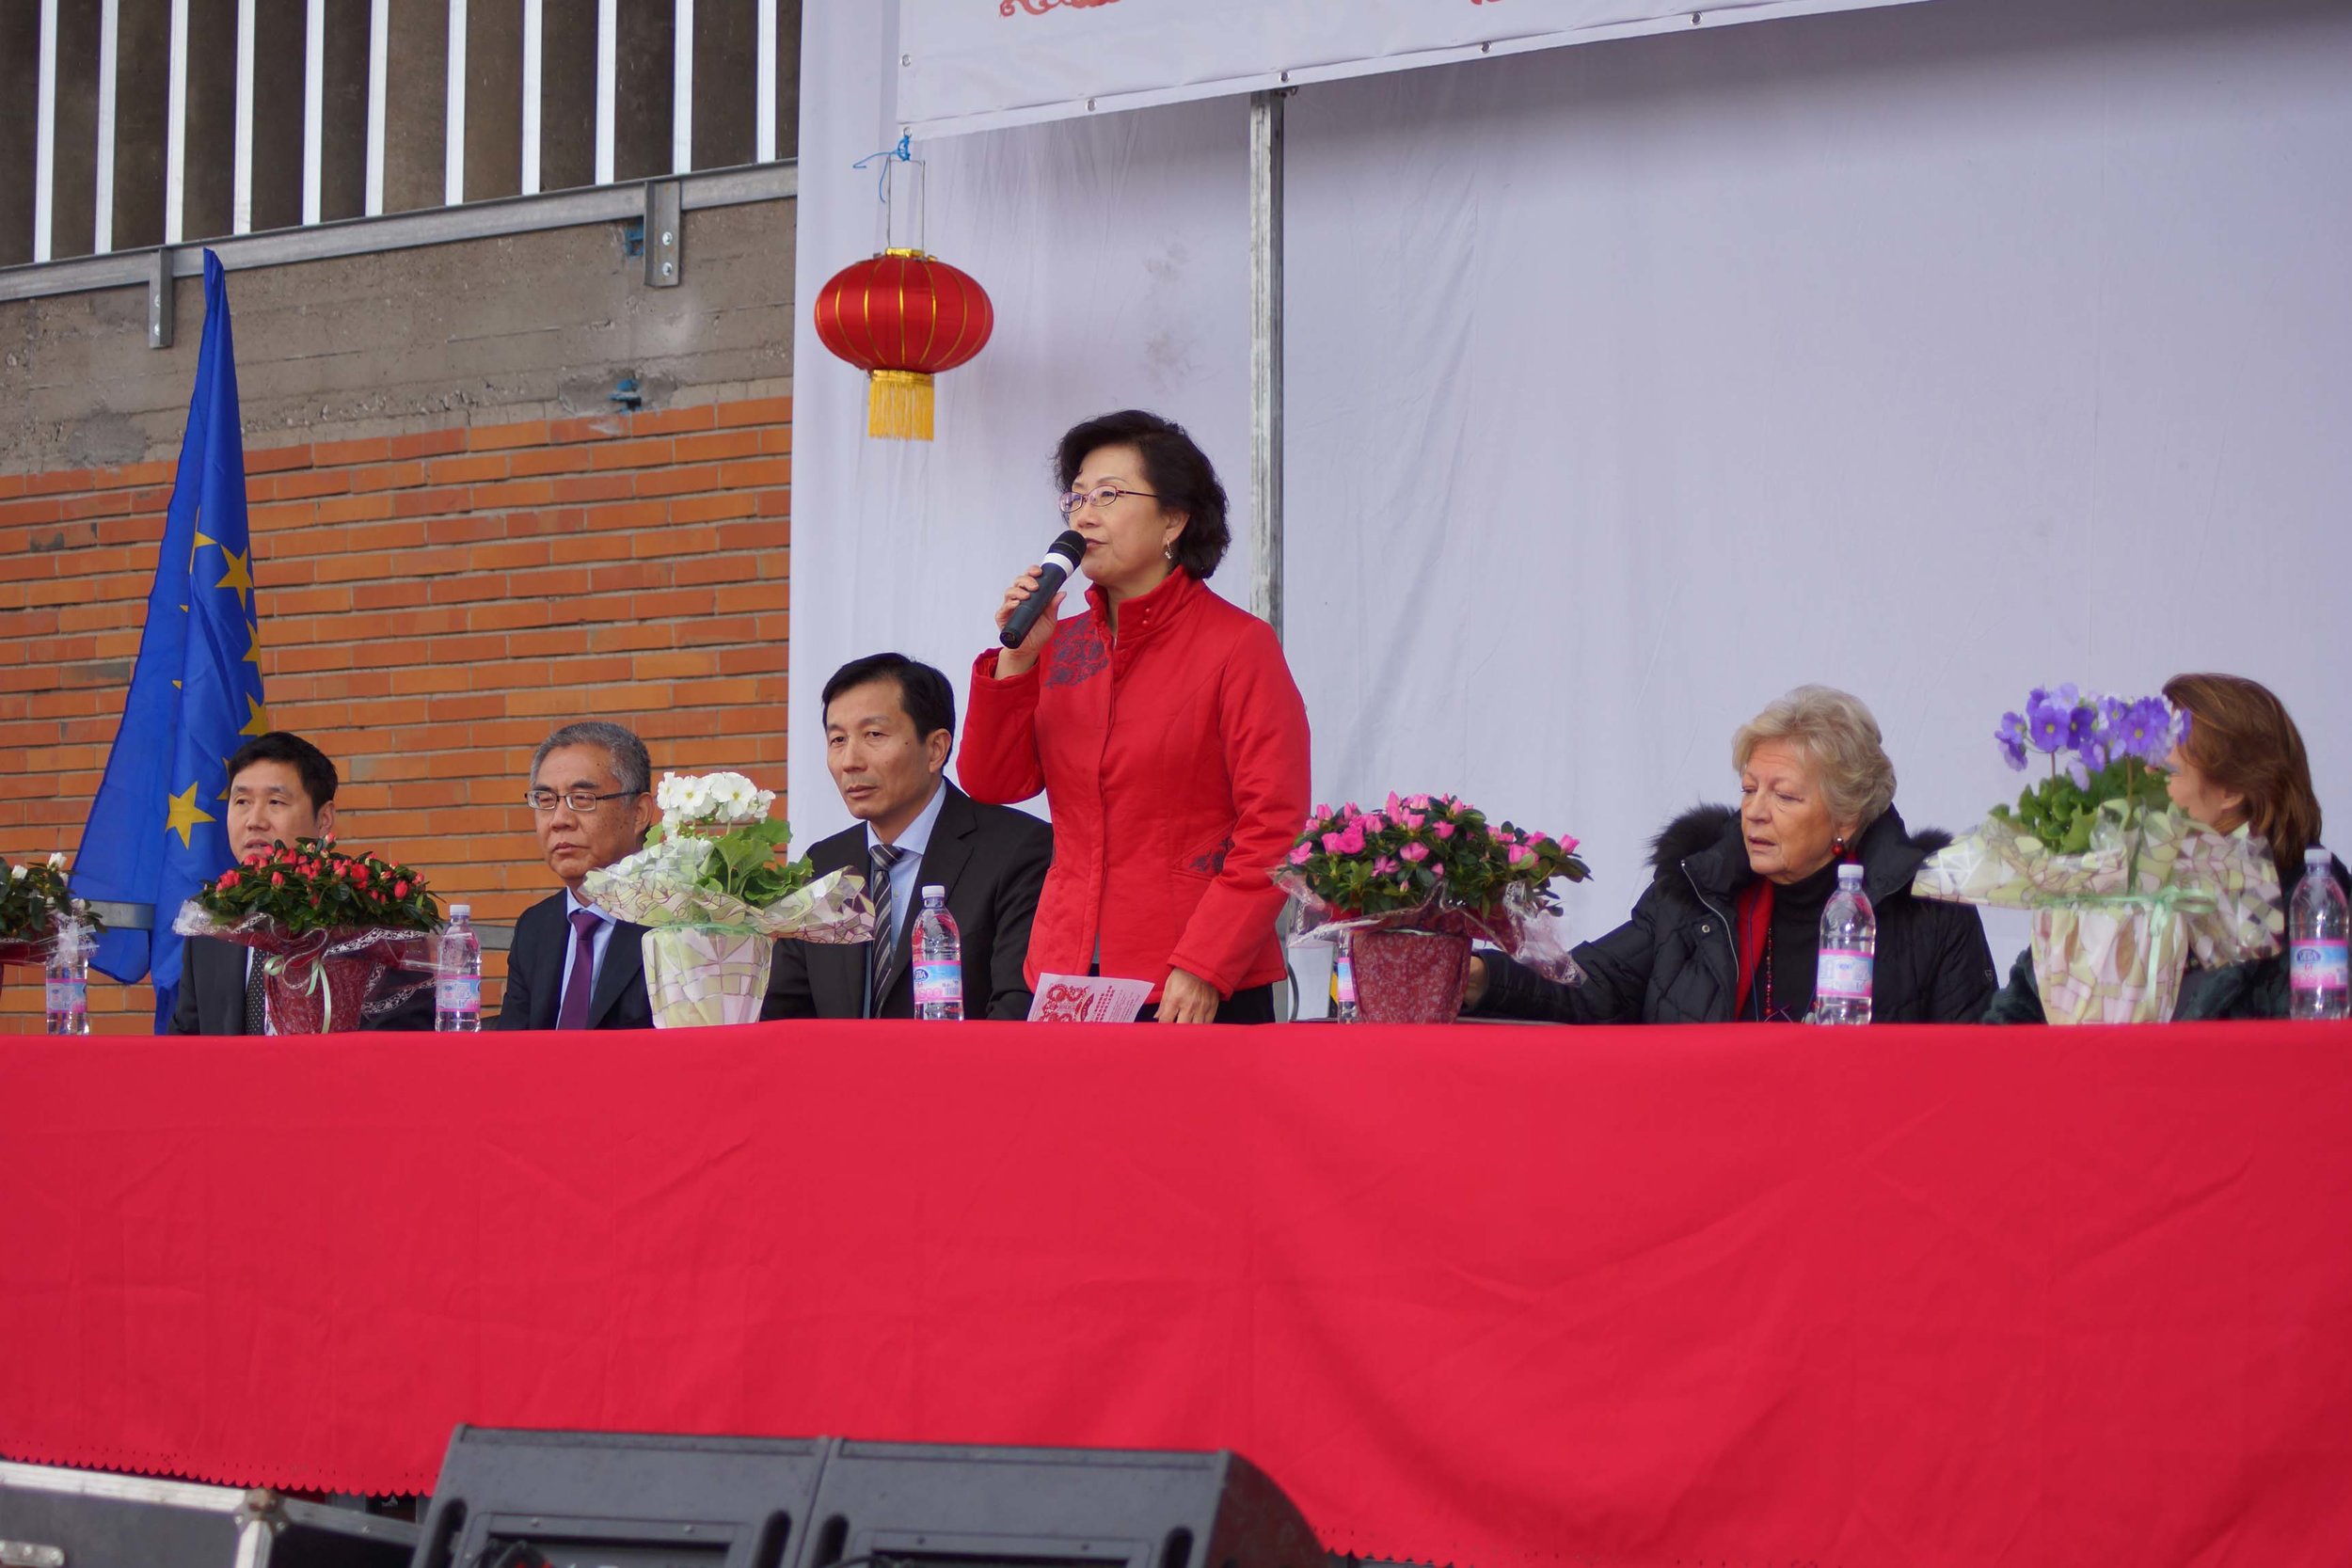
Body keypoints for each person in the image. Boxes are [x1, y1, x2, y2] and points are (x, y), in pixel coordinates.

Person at [960, 409, 1311, 1023]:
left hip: (1191, 979)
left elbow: (1274, 824)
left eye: (1110, 495)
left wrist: (1206, 962)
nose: (1084, 514)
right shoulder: (1058, 644)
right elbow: (993, 782)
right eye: (1077, 496)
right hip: (1067, 970)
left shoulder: (1237, 646)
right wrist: (1017, 660)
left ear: (1174, 519)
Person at [1467, 685, 1997, 1024]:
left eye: (1784, 796)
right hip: (1714, 1157)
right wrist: (1479, 977)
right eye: (1749, 790)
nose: (1755, 813)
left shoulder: (1930, 910)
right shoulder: (1699, 890)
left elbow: (1976, 1073)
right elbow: (1593, 984)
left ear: (1847, 817)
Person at [1985, 672, 2345, 1022]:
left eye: (2163, 770)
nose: (2142, 781)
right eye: (2143, 763)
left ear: (2233, 791)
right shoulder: (2115, 880)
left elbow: (2308, 1055)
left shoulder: (2312, 901)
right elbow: (2010, 1026)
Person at [764, 654, 1054, 1021]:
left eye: (874, 735)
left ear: (935, 749)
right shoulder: (823, 864)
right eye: (838, 739)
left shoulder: (1018, 850)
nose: (850, 760)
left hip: (962, 1074)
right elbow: (784, 1014)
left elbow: (1018, 1009)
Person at [169, 731, 432, 1034]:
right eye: (242, 801)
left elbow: (404, 1039)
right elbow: (186, 1041)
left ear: (323, 818)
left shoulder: (371, 915)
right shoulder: (211, 923)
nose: (254, 820)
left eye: (276, 802)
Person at [497, 721, 658, 1031]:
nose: (559, 820)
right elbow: (511, 1054)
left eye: (582, 799)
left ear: (638, 813)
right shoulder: (535, 927)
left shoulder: (681, 918)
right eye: (545, 801)